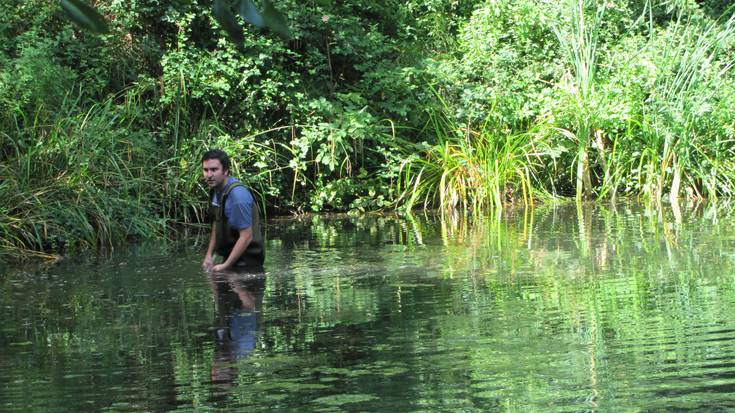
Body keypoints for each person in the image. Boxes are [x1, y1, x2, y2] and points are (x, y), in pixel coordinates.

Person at [201, 149, 265, 271]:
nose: (209, 175)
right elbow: (217, 222)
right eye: (206, 170)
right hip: (231, 257)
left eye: (214, 170)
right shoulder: (215, 190)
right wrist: (209, 255)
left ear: (226, 171)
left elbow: (246, 236)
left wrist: (225, 266)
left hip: (248, 262)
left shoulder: (237, 196)